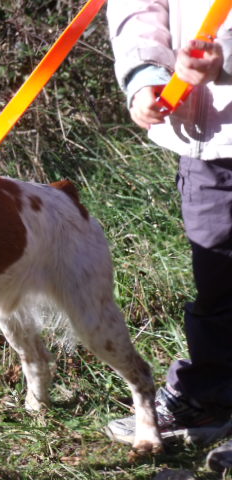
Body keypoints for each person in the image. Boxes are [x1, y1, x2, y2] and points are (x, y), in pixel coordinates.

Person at [106, 0, 232, 472]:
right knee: (215, 268)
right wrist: (145, 76)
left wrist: (224, 57)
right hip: (208, 136)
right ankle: (210, 392)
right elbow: (139, 7)